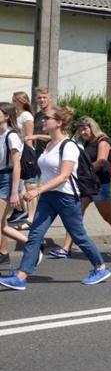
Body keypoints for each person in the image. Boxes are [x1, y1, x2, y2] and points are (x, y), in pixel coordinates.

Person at [0, 106, 110, 290]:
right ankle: (21, 276)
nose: (43, 120)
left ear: (58, 122)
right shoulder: (50, 144)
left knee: (78, 235)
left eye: (47, 118)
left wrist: (38, 190)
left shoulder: (69, 146)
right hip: (48, 197)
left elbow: (64, 176)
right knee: (35, 234)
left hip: (66, 198)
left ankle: (101, 267)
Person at [49, 116, 111, 258]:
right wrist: (76, 138)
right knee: (75, 215)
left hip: (99, 184)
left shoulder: (103, 141)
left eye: (85, 128)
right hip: (85, 185)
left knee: (108, 216)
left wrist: (84, 172)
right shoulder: (84, 143)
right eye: (80, 129)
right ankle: (66, 248)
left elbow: (101, 161)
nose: (83, 132)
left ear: (92, 127)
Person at [0, 102, 32, 267]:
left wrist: (14, 193)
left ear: (6, 116)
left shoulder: (11, 136)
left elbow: (17, 165)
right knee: (2, 223)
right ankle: (30, 244)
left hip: (7, 179)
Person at [6, 91, 35, 226]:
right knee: (19, 184)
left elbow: (29, 137)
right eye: (12, 100)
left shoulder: (26, 116)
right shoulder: (14, 115)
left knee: (21, 182)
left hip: (23, 152)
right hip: (15, 150)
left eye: (15, 101)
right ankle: (20, 210)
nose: (13, 103)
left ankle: (24, 212)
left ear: (23, 101)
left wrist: (28, 158)